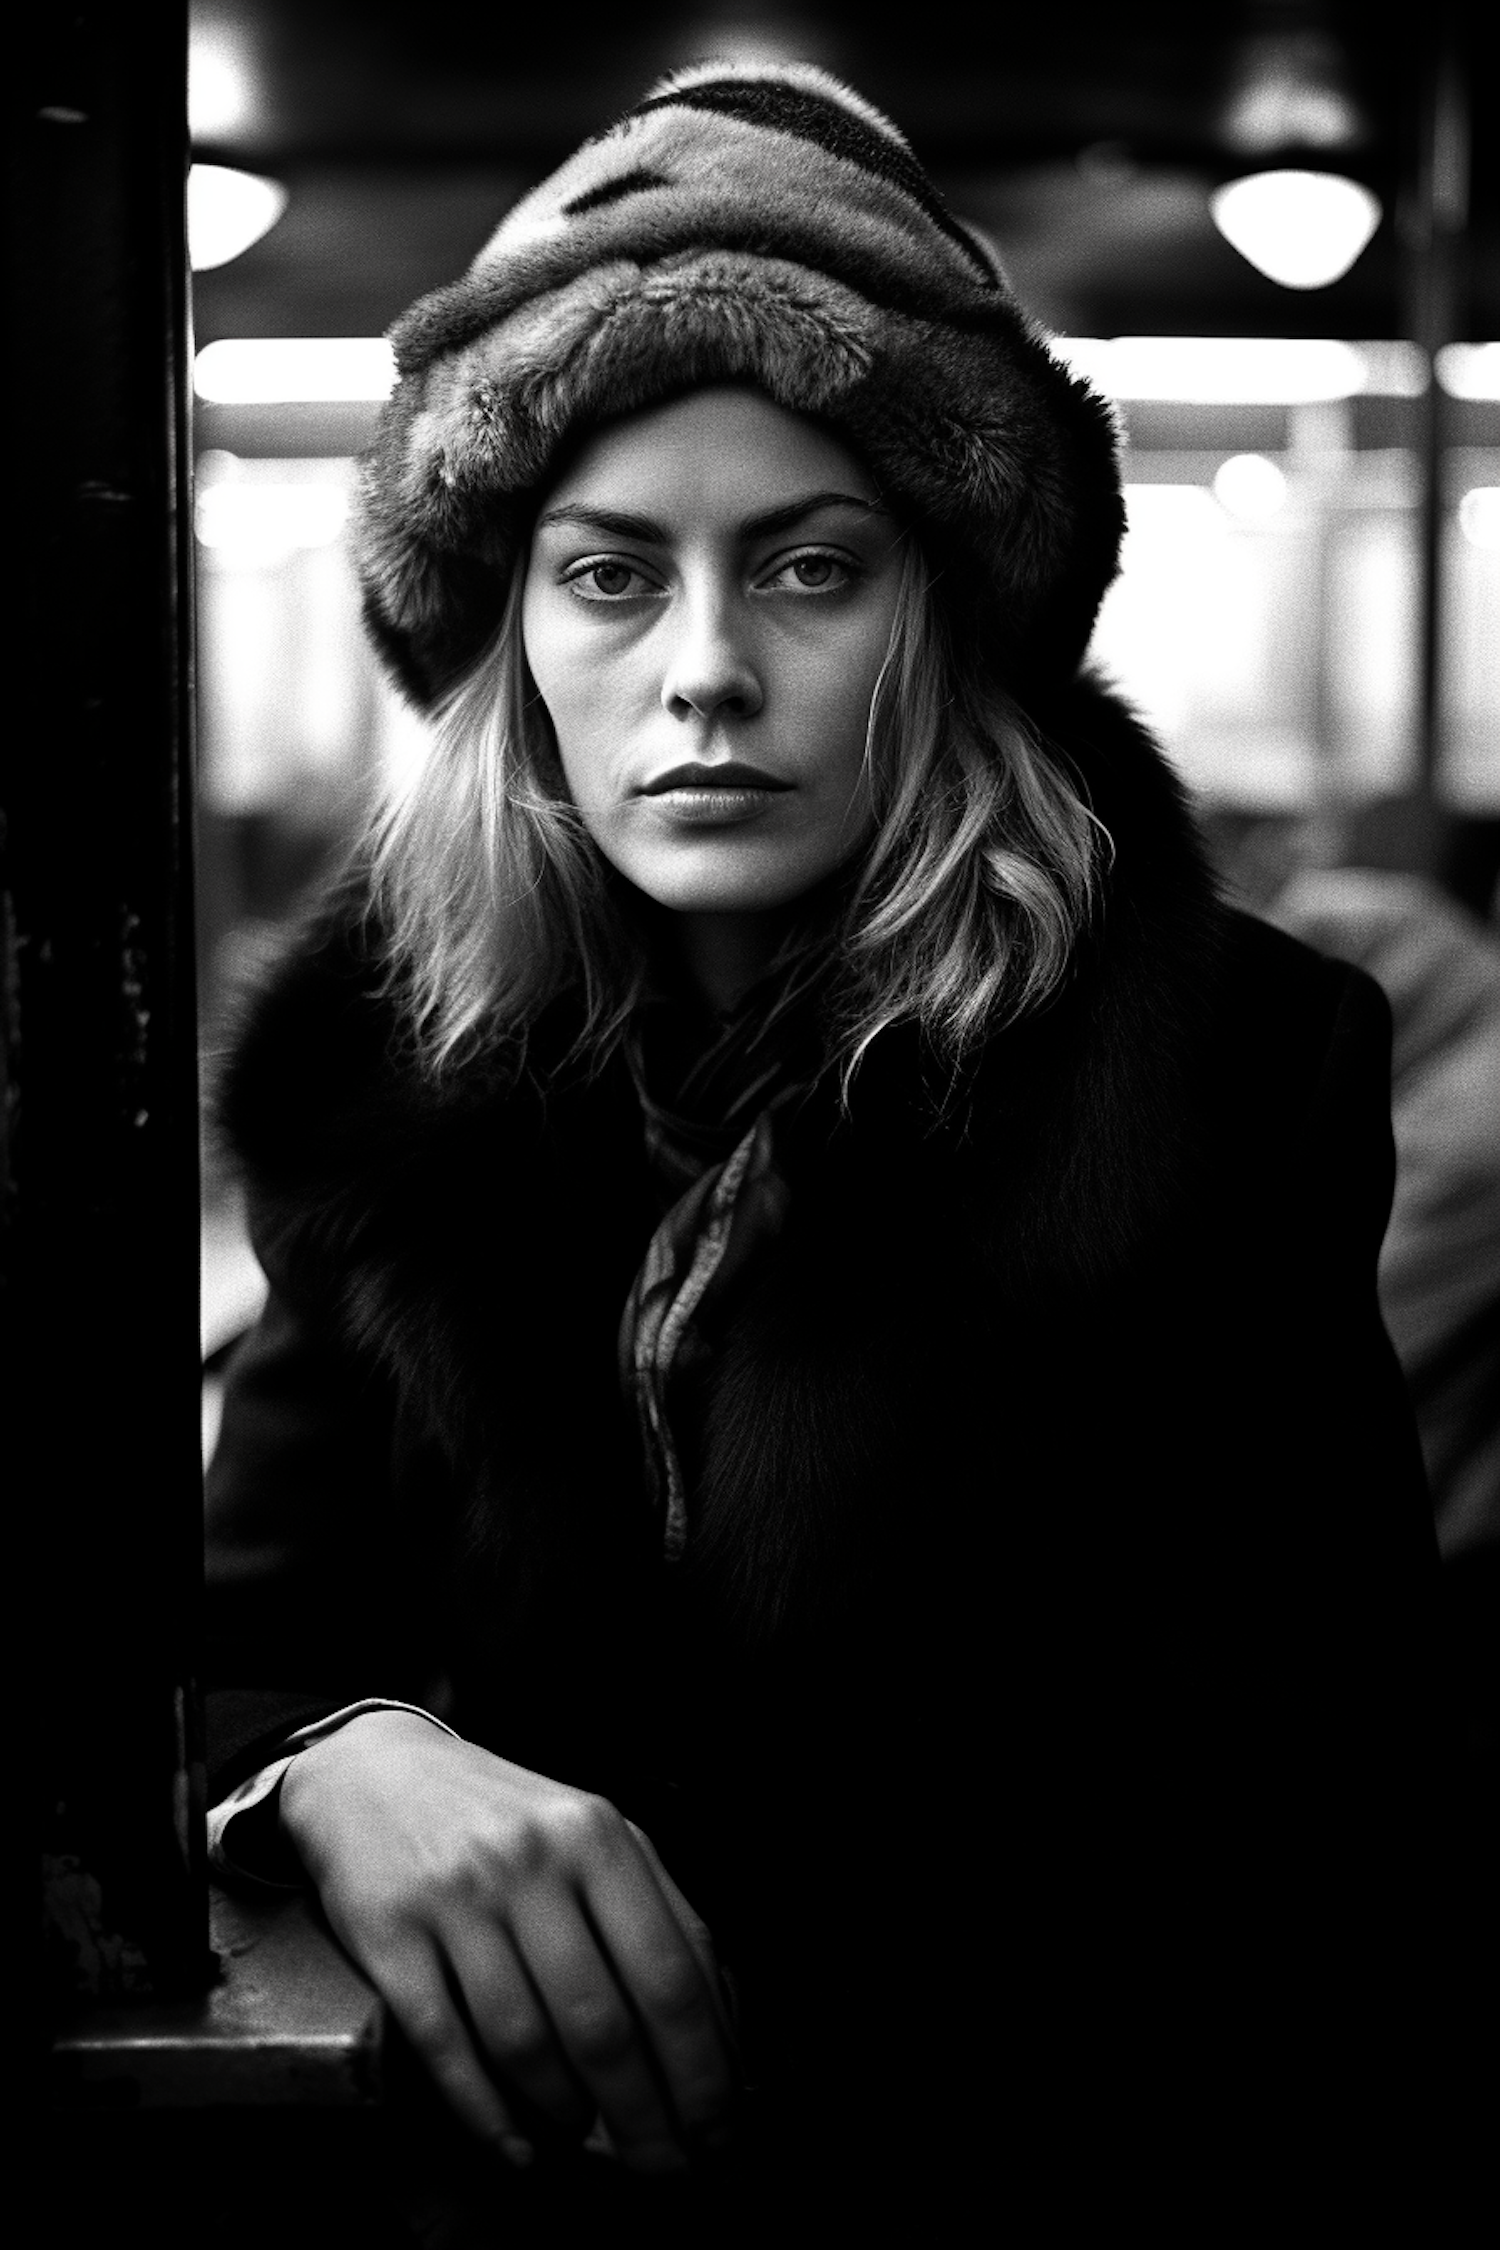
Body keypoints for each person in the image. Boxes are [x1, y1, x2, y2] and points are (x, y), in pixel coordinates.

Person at [203, 62, 1449, 2234]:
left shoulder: (1229, 1076)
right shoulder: (390, 1099)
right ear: (509, 646)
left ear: (946, 616)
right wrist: (339, 1756)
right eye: (607, 576)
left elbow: (1323, 1822)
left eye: (807, 567)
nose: (703, 672)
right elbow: (237, 1627)